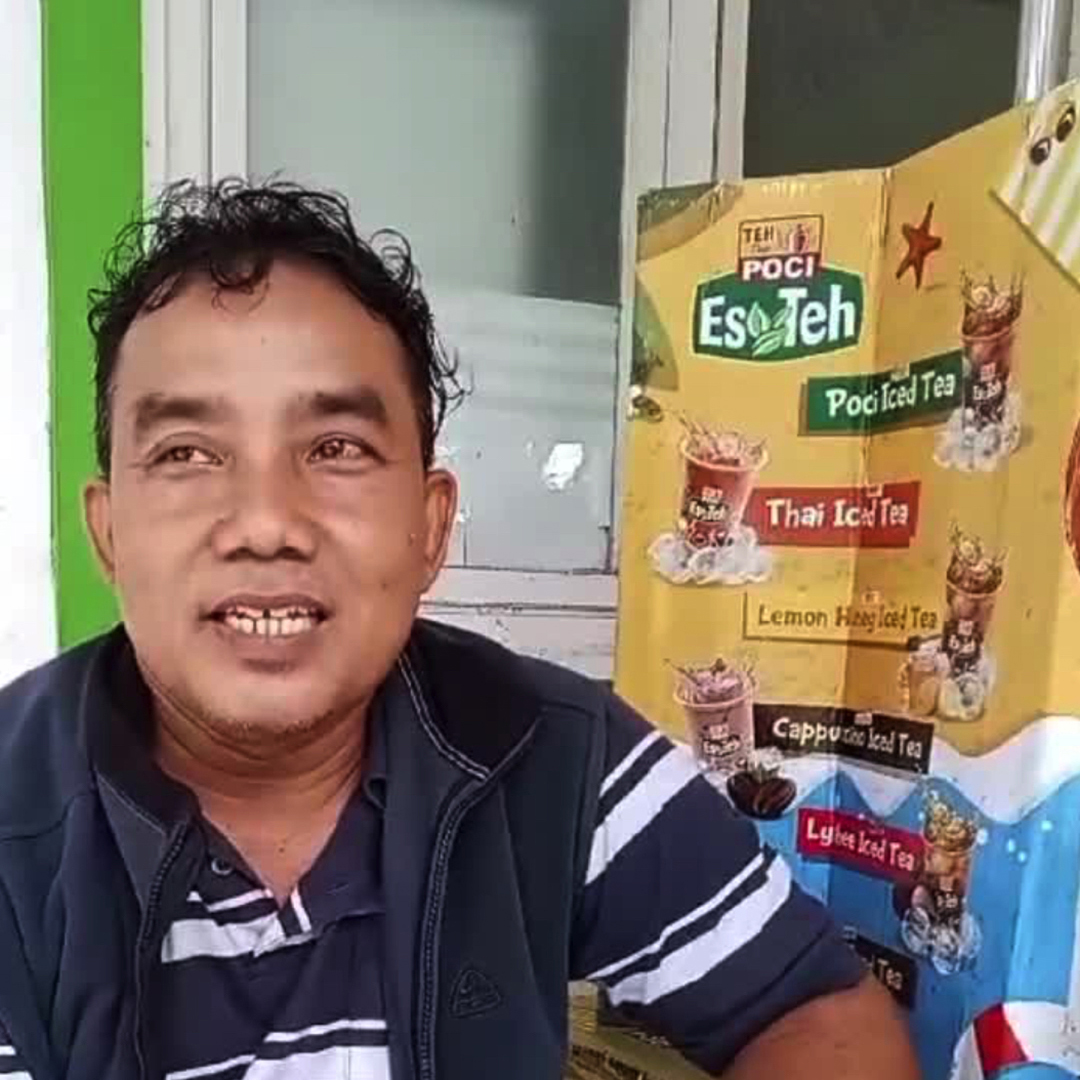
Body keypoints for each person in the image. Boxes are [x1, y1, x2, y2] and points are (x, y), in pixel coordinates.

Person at [0, 180, 919, 1080]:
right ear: (109, 533)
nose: (266, 522)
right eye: (188, 453)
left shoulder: (551, 753)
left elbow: (815, 1012)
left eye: (336, 449)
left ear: (432, 526)